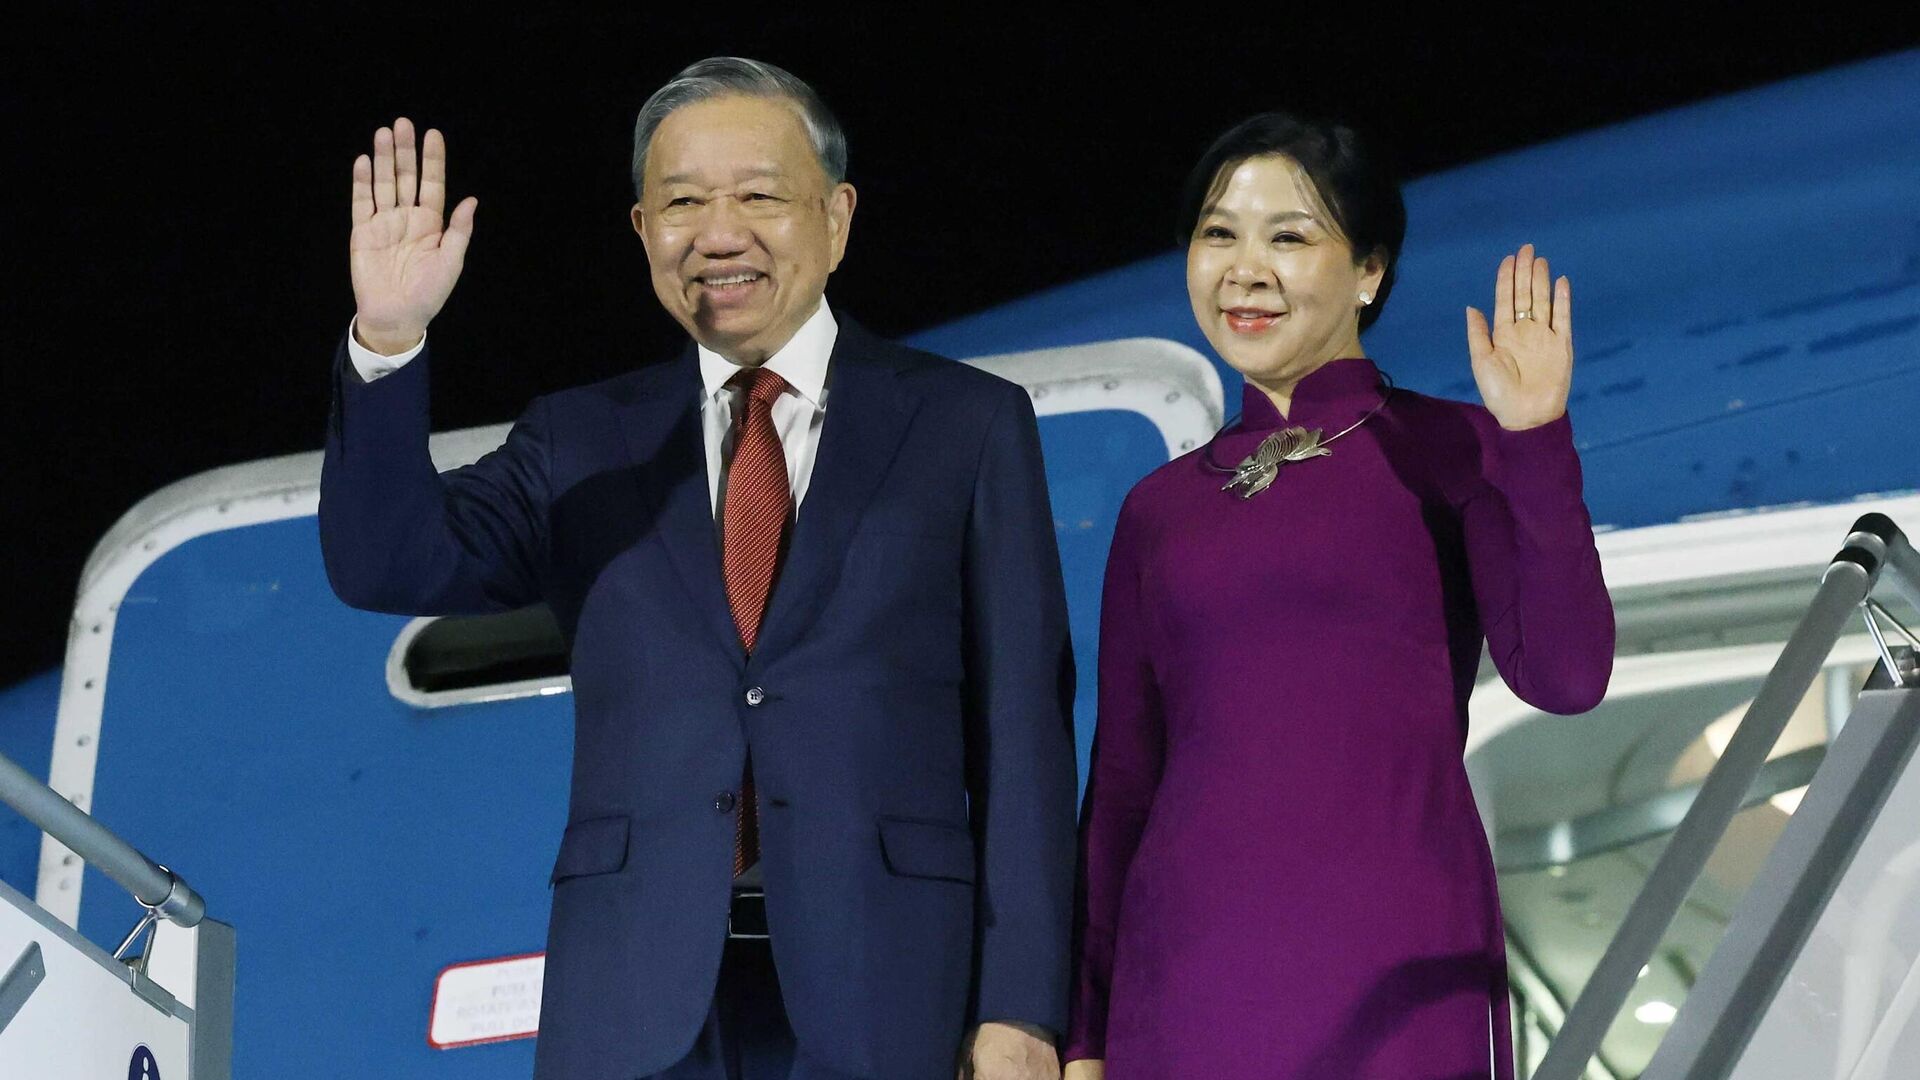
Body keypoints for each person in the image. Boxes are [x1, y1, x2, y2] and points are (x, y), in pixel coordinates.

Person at [320, 58, 1076, 1080]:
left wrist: (1023, 1009)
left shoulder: (966, 425)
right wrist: (388, 339)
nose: (719, 234)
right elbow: (386, 563)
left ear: (837, 218)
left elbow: (1023, 734)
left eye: (759, 196)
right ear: (642, 230)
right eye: (682, 203)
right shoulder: (583, 439)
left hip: (889, 991)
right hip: (634, 1003)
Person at [1062, 113, 1615, 1079]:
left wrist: (1533, 437)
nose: (1244, 269)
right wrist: (1084, 1037)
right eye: (1218, 233)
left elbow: (1567, 678)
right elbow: (1121, 788)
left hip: (1393, 964)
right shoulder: (1159, 508)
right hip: (1183, 984)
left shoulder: (1453, 447)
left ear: (1368, 271)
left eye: (1288, 236)